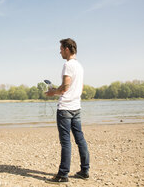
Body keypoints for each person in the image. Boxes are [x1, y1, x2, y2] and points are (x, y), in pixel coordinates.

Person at [45, 38, 90, 184]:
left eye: (61, 49)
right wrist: (61, 90)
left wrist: (53, 92)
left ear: (67, 49)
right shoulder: (80, 66)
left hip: (65, 109)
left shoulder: (68, 65)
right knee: (80, 139)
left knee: (66, 143)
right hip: (76, 108)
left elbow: (64, 88)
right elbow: (80, 87)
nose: (59, 51)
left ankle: (63, 175)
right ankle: (84, 171)